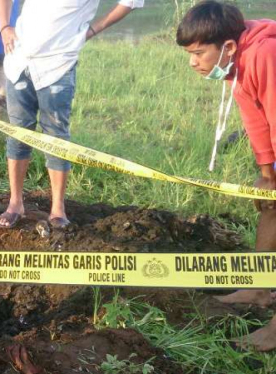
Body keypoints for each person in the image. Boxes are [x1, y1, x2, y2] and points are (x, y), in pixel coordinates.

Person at [176, 1, 276, 351]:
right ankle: (259, 287)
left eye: (199, 53)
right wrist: (268, 176)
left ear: (228, 47)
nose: (192, 61)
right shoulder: (238, 67)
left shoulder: (265, 53)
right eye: (189, 53)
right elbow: (257, 122)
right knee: (270, 208)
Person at [0, 0, 143, 229]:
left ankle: (57, 209)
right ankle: (15, 203)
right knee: (17, 134)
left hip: (58, 64)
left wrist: (92, 30)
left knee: (56, 137)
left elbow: (130, 2)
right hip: (18, 60)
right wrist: (5, 26)